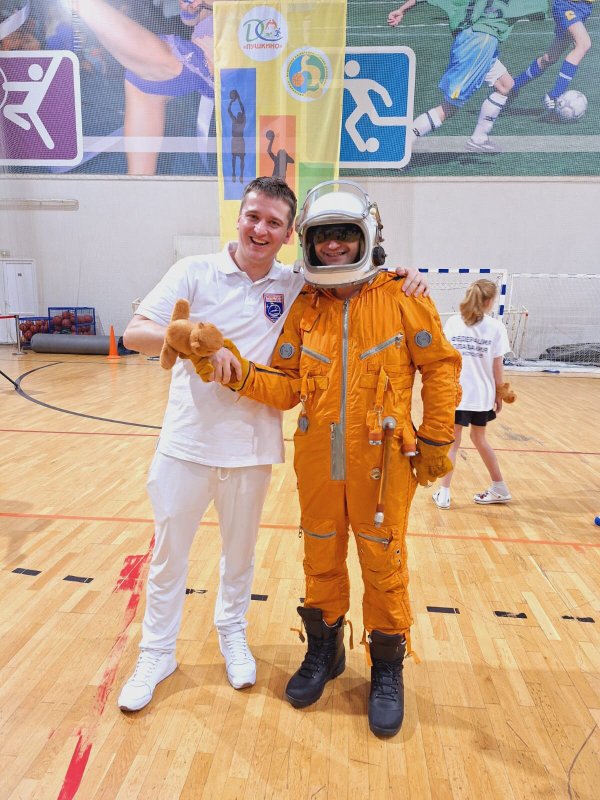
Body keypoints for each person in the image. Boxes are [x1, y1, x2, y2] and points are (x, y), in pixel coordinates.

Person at [118, 176, 430, 712]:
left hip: (253, 448)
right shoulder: (194, 271)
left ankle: (235, 637)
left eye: (274, 223)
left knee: (241, 560)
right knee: (169, 558)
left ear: (289, 235)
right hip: (185, 444)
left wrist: (407, 274)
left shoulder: (299, 285)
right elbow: (134, 333)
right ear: (239, 218)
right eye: (253, 217)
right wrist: (186, 339)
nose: (260, 229)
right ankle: (156, 653)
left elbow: (362, 278)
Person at [188, 180, 461, 737]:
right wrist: (235, 370)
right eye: (323, 236)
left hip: (382, 458)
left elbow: (440, 368)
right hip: (318, 455)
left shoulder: (404, 296)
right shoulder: (305, 305)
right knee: (319, 553)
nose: (333, 245)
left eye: (344, 234)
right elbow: (288, 385)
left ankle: (386, 667)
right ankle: (324, 650)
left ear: (367, 236)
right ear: (308, 242)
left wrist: (436, 440)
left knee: (383, 559)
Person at [74, 0, 215, 174]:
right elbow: (192, 19)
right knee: (141, 81)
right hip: (200, 51)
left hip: (222, 56)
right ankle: (139, 185)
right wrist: (191, 8)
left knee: (157, 60)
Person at [388, 0, 546, 153]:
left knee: (505, 84)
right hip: (480, 43)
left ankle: (479, 138)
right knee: (450, 106)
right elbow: (539, 12)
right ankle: (402, 143)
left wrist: (402, 10)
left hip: (468, 37)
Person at [432, 279, 511, 510]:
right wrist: (499, 393)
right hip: (482, 396)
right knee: (479, 439)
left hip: (456, 393)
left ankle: (444, 493)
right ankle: (499, 487)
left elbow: (444, 358)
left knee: (453, 444)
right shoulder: (496, 327)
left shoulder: (453, 323)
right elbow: (497, 367)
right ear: (489, 301)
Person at [511, 0, 592, 111]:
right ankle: (554, 95)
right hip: (567, 5)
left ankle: (514, 86)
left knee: (550, 57)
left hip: (584, 8)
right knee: (583, 44)